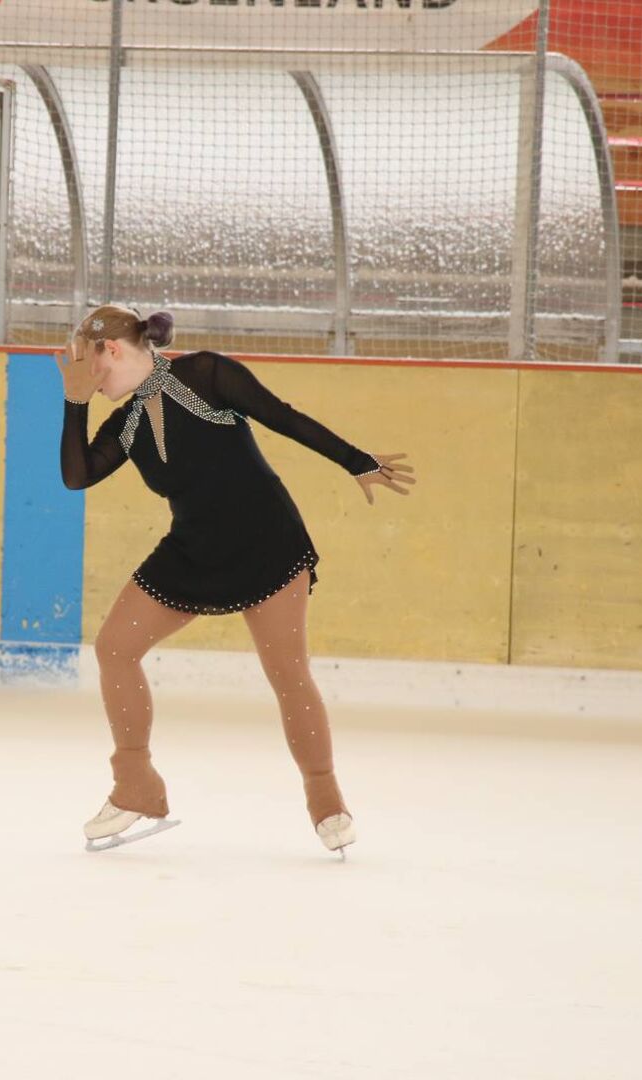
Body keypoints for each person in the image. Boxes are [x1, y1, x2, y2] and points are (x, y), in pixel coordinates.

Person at [58, 304, 414, 856]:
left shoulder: (204, 375)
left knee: (288, 672)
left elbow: (283, 417)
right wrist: (75, 402)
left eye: (86, 363)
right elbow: (76, 476)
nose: (83, 376)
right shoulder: (125, 423)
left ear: (112, 349)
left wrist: (355, 460)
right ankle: (136, 787)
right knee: (115, 649)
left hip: (265, 542)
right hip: (193, 550)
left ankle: (327, 801)